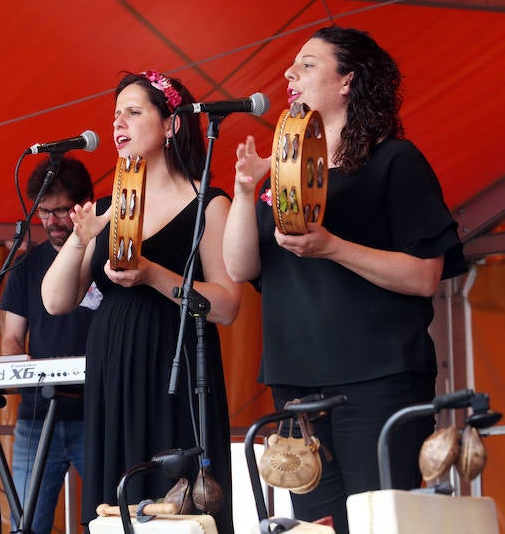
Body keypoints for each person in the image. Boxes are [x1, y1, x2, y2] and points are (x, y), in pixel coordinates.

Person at [222, 26, 466, 533]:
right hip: (295, 379)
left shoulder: (394, 160)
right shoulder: (283, 170)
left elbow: (425, 277)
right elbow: (240, 269)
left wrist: (332, 247)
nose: (290, 74)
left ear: (347, 81)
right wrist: (246, 192)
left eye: (308, 64)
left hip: (377, 379)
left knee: (380, 520)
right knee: (316, 526)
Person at [41, 71, 242, 534]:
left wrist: (152, 275)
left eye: (133, 112)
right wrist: (80, 239)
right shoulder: (111, 205)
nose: (118, 124)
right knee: (117, 501)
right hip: (113, 367)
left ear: (171, 124)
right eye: (115, 115)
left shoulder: (208, 204)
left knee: (179, 503)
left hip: (177, 369)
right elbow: (54, 301)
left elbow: (228, 305)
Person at [0, 156, 99, 534]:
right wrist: (17, 366)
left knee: (110, 518)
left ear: (86, 204)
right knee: (27, 524)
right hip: (37, 416)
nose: (53, 222)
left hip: (98, 412)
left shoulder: (107, 254)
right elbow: (10, 336)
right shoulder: (25, 266)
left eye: (62, 211)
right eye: (45, 212)